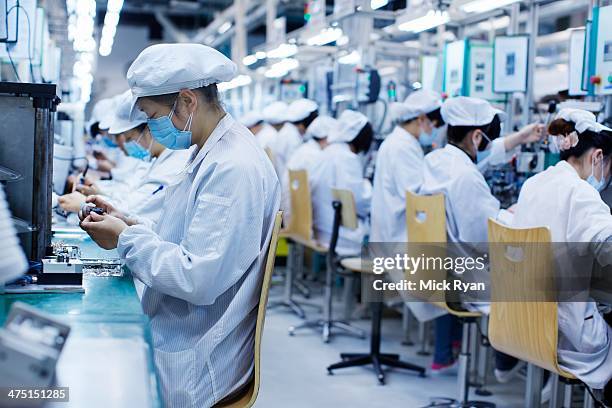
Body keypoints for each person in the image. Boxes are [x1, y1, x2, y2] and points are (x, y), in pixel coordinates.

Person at [78, 43, 280, 408]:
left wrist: (126, 239)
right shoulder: (209, 152)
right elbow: (189, 233)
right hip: (186, 332)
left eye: (153, 115)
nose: (153, 128)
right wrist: (128, 221)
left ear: (187, 101)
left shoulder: (232, 166)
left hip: (196, 357)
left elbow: (195, 278)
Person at [419, 96, 543, 375]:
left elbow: (479, 163)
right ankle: (516, 356)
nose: (489, 144)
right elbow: (482, 239)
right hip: (467, 277)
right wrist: (513, 215)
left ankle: (510, 353)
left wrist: (520, 137)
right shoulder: (465, 176)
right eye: (487, 138)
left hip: (443, 269)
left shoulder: (437, 161)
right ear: (476, 136)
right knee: (544, 275)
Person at [512, 108, 612, 399]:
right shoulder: (580, 193)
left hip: (527, 323)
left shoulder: (533, 185)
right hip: (568, 336)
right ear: (596, 157)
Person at [309, 109, 373, 255]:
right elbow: (359, 201)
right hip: (339, 235)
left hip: (321, 228)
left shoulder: (327, 152)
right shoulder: (347, 158)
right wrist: (369, 186)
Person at [370, 101, 427, 243]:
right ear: (421, 119)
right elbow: (417, 198)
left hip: (389, 234)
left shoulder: (396, 141)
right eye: (434, 124)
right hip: (398, 239)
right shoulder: (403, 147)